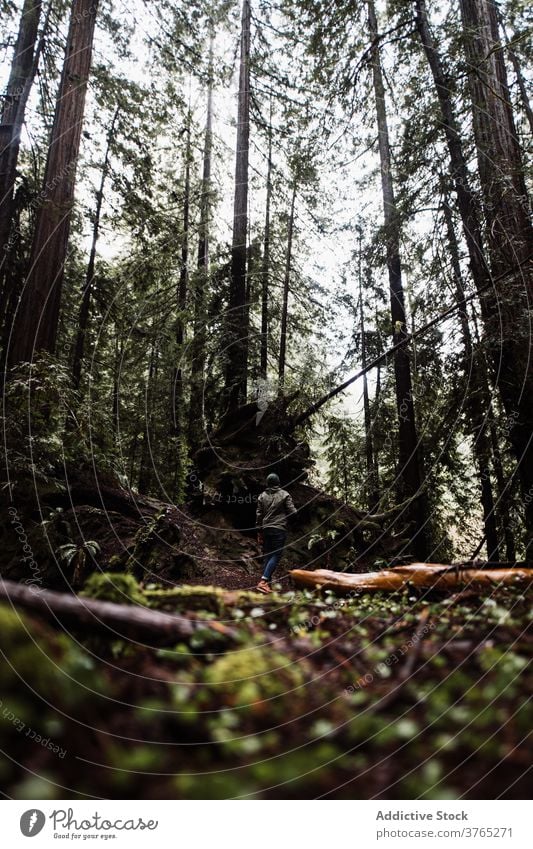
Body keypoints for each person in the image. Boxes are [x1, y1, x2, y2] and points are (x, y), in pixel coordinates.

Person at [255, 473, 297, 594]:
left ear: (268, 483)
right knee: (276, 555)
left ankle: (267, 585)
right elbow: (293, 512)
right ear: (278, 482)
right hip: (279, 528)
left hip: (266, 529)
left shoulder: (262, 496)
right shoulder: (284, 494)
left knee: (268, 555)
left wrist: (259, 532)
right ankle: (263, 582)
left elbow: (259, 515)